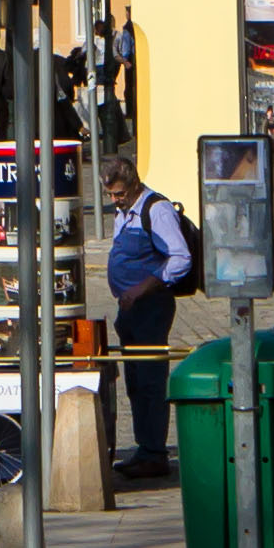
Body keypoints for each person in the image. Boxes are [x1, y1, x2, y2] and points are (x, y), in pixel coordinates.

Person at [101, 160, 196, 478]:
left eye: (119, 193)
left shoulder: (156, 209)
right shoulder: (123, 211)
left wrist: (142, 288)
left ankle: (154, 453)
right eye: (111, 194)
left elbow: (180, 258)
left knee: (151, 381)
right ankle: (145, 448)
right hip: (130, 308)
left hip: (151, 306)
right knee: (136, 382)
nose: (115, 199)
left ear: (134, 184)